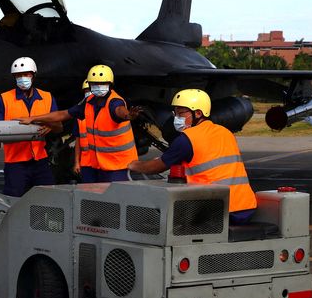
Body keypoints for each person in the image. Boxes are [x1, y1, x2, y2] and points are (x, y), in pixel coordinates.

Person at [127, 89, 257, 224]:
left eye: (181, 113)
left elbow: (156, 167)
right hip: (245, 207)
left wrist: (132, 164)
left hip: (218, 212)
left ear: (198, 113)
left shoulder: (187, 139)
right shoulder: (225, 132)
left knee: (155, 217)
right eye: (175, 113)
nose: (176, 118)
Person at [19, 65, 140, 182]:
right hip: (100, 165)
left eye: (102, 83)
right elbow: (62, 114)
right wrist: (33, 118)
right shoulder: (88, 102)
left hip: (119, 166)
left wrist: (129, 115)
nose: (98, 86)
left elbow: (120, 111)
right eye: (94, 84)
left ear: (110, 84)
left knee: (115, 199)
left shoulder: (114, 102)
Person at [0, 57, 61, 196]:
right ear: (14, 77)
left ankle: (41, 219)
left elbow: (59, 126)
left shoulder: (47, 97)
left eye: (26, 74)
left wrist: (51, 126)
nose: (23, 78)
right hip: (15, 163)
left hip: (40, 160)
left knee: (48, 198)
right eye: (19, 75)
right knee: (13, 201)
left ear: (33, 75)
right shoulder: (4, 99)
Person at [72, 79, 90, 178]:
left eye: (90, 90)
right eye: (86, 91)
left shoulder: (105, 111)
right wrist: (77, 162)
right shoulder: (79, 115)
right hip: (86, 163)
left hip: (103, 162)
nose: (88, 93)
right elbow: (78, 140)